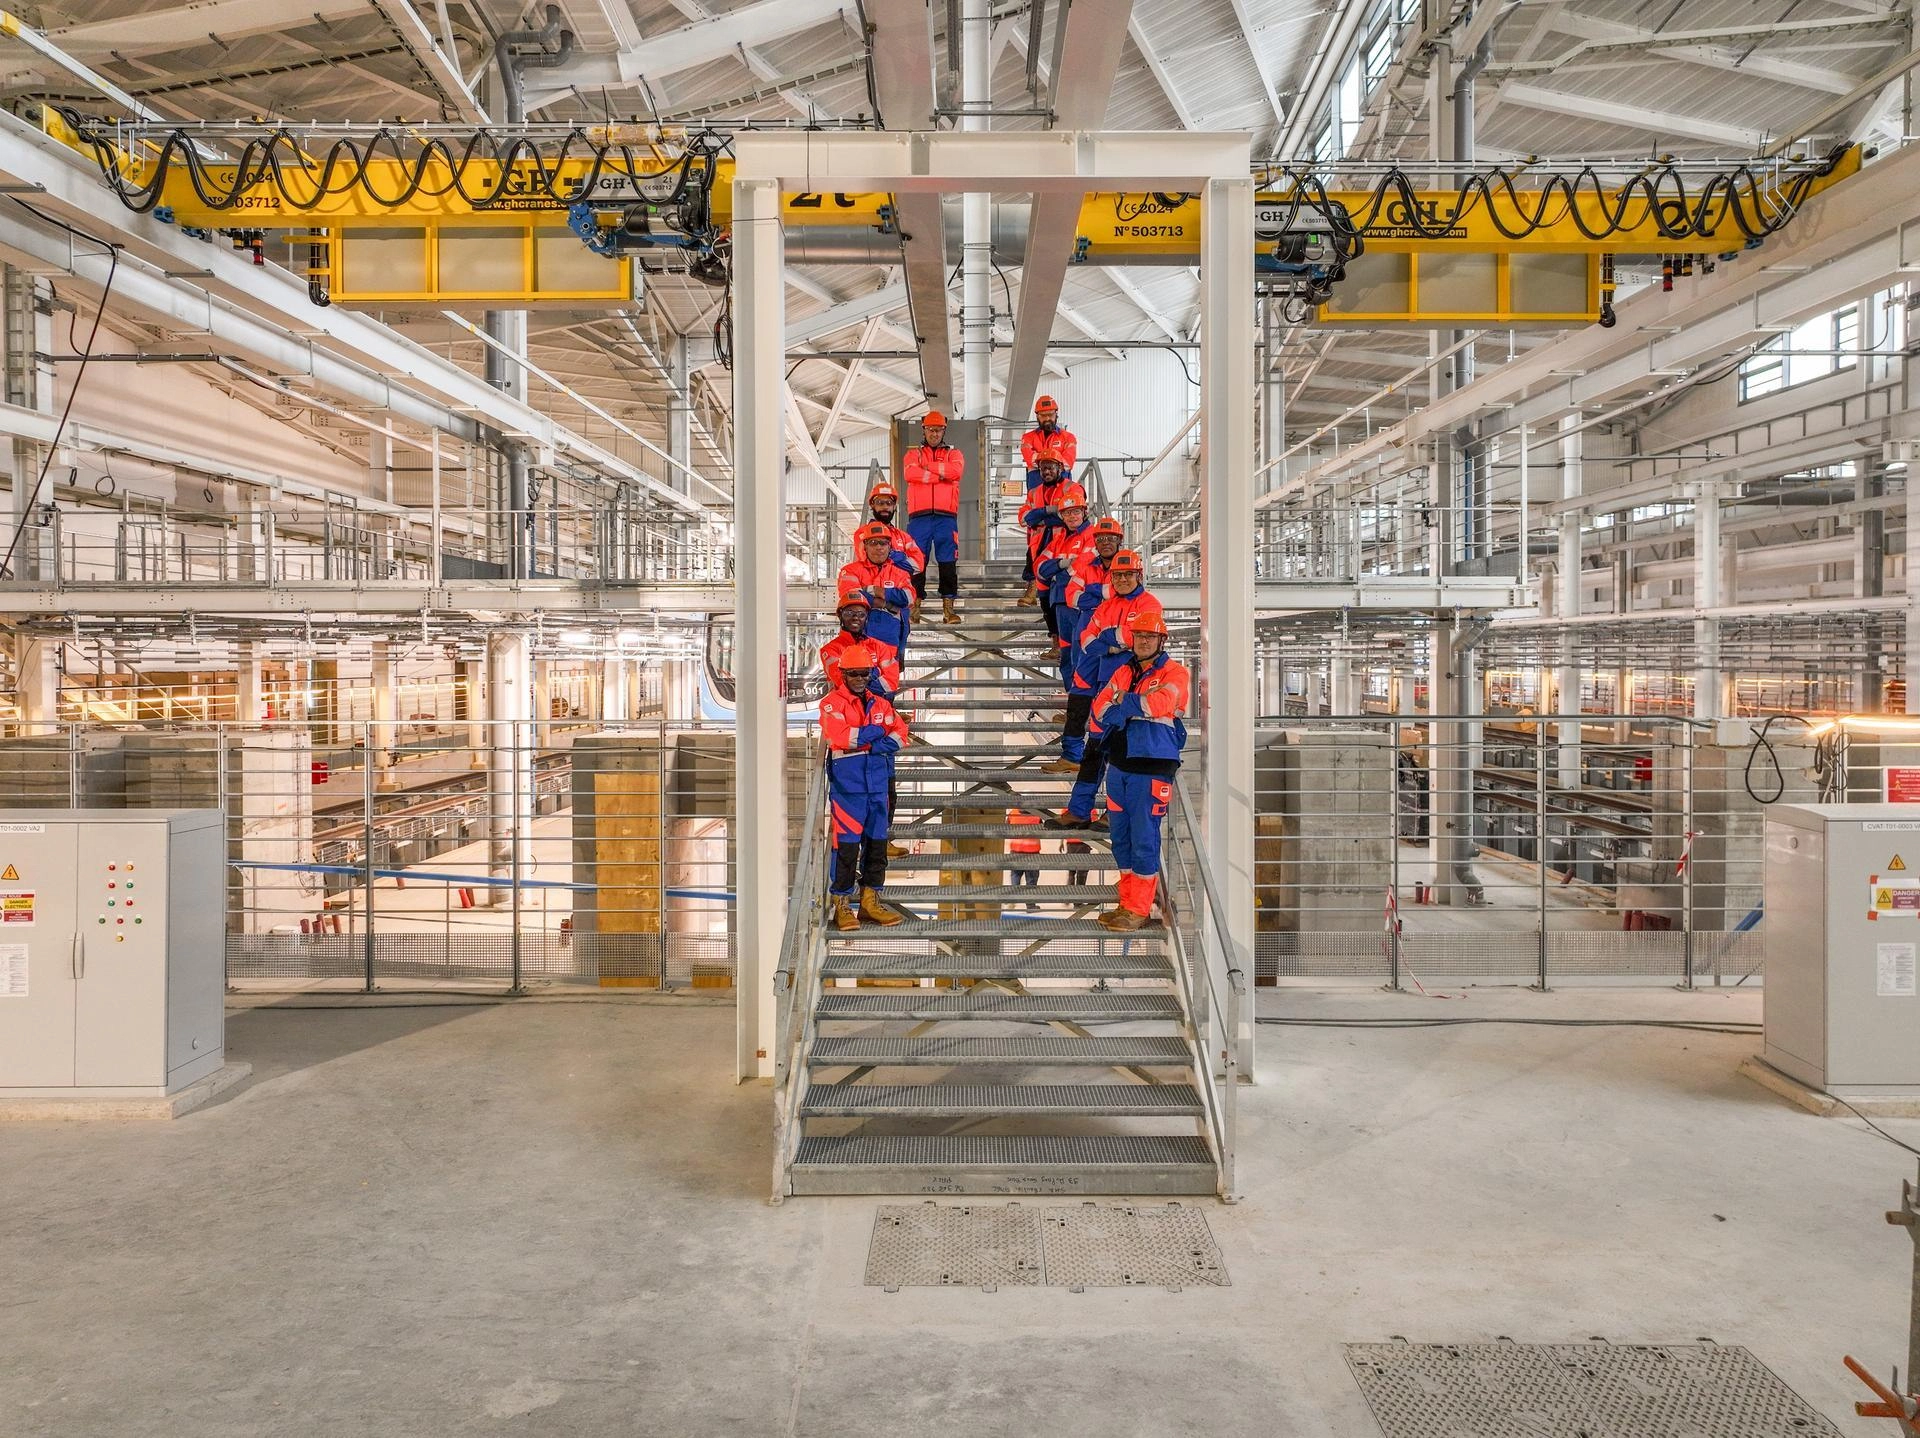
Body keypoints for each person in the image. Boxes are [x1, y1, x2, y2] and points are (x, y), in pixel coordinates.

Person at [1089, 612, 1189, 931]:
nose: (1143, 641)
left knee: (1144, 838)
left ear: (1161, 640)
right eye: (1138, 635)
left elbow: (1160, 704)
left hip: (1152, 767)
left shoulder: (1176, 672)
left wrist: (1125, 702)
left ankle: (1139, 908)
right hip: (1118, 766)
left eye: (1149, 636)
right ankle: (1126, 902)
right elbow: (1100, 708)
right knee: (1121, 838)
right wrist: (1132, 703)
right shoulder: (1124, 670)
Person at [1052, 548, 1161, 818]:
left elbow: (1139, 639)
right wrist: (1116, 643)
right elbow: (1088, 640)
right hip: (1106, 685)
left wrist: (1109, 636)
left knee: (1122, 757)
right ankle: (1079, 810)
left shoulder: (1149, 604)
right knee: (1094, 749)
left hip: (1133, 688)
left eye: (1128, 575)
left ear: (1139, 575)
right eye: (1117, 575)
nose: (1122, 580)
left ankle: (1112, 816)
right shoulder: (1107, 606)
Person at [819, 643, 909, 931]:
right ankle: (842, 905)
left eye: (865, 673)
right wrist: (879, 734)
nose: (859, 678)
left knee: (877, 847)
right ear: (843, 674)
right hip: (848, 790)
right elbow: (842, 736)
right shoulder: (831, 704)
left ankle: (870, 903)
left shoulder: (882, 704)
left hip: (878, 786)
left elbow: (901, 737)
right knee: (846, 849)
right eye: (854, 673)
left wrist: (866, 743)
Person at [1043, 515, 1124, 773]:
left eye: (1111, 539)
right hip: (1087, 644)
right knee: (1078, 703)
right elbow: (1073, 596)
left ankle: (1107, 761)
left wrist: (1094, 594)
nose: (1106, 543)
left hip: (1115, 651)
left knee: (1109, 706)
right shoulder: (1086, 566)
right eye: (1101, 539)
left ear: (1119, 540)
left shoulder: (1128, 566)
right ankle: (1071, 756)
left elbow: (1125, 591)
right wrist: (1105, 595)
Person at [903, 409, 964, 623]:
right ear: (924, 430)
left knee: (948, 561)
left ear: (944, 431)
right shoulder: (913, 454)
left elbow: (956, 472)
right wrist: (940, 474)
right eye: (931, 429)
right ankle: (914, 607)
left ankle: (948, 609)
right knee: (916, 562)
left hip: (946, 517)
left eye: (938, 430)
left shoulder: (954, 454)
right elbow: (910, 473)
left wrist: (926, 469)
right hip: (919, 517)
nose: (934, 434)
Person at [1034, 483, 1090, 698]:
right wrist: (1063, 564)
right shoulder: (1059, 539)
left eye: (1076, 511)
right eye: (1067, 513)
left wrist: (1057, 567)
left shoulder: (1092, 536)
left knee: (1081, 655)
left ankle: (1085, 707)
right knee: (1066, 657)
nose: (1072, 517)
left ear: (1084, 512)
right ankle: (1072, 704)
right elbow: (1040, 568)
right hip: (1061, 605)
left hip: (1082, 605)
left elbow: (1084, 569)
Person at [1019, 399, 1076, 603]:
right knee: (1035, 540)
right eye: (1043, 415)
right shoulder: (1027, 437)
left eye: (1050, 414)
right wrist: (1052, 458)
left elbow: (1068, 462)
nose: (1047, 418)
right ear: (1037, 416)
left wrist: (1040, 460)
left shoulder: (1069, 437)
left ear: (1056, 414)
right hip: (1038, 493)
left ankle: (1057, 586)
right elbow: (1028, 458)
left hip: (1062, 499)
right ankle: (1033, 585)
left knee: (1062, 543)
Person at [837, 522, 914, 662]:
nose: (878, 547)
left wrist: (874, 590)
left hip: (892, 641)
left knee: (887, 681)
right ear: (865, 546)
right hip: (858, 641)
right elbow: (851, 597)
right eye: (873, 542)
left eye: (883, 543)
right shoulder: (850, 570)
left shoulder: (901, 574)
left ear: (890, 546)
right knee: (857, 679)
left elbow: (908, 599)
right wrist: (889, 604)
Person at [1018, 447, 1069, 611]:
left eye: (1051, 467)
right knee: (1035, 567)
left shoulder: (1071, 489)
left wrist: (1038, 517)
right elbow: (1024, 519)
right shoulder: (1033, 493)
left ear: (1060, 468)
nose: (1047, 471)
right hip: (1039, 543)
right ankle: (1033, 590)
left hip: (1064, 542)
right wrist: (1048, 510)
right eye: (1043, 468)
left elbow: (1068, 515)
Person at [821, 593, 900, 696]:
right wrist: (875, 672)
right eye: (849, 613)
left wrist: (855, 674)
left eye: (861, 614)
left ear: (866, 617)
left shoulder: (880, 647)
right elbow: (845, 684)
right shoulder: (830, 650)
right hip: (845, 709)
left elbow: (891, 683)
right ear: (840, 616)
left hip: (877, 708)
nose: (855, 618)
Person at [863, 482, 925, 583]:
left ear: (894, 507)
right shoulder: (862, 533)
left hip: (899, 592)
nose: (885, 507)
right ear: (872, 505)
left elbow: (919, 565)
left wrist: (887, 556)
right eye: (880, 503)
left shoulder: (904, 537)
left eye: (889, 503)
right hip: (872, 593)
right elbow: (870, 561)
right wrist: (900, 557)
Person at [1006, 807, 1042, 906]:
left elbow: (1007, 825)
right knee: (1031, 879)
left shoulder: (1013, 812)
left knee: (1015, 876)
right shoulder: (1037, 814)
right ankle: (1030, 905)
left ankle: (1012, 899)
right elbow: (1042, 829)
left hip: (1016, 850)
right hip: (1032, 852)